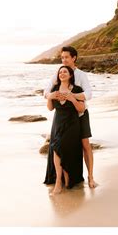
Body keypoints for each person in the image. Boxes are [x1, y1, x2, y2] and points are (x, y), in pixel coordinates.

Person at [44, 46, 96, 188]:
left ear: (74, 58)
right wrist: (51, 96)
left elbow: (89, 94)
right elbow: (46, 91)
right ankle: (62, 179)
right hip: (64, 117)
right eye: (62, 58)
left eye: (67, 57)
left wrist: (72, 96)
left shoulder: (81, 75)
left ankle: (91, 177)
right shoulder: (58, 74)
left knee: (85, 144)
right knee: (60, 145)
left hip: (80, 114)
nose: (64, 60)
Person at [44, 65, 86, 194]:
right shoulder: (55, 89)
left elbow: (81, 109)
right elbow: (50, 108)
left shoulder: (77, 89)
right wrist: (50, 97)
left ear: (70, 75)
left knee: (65, 148)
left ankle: (67, 177)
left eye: (65, 72)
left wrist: (72, 99)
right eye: (60, 72)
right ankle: (58, 180)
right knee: (56, 147)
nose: (62, 74)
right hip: (58, 123)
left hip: (72, 124)